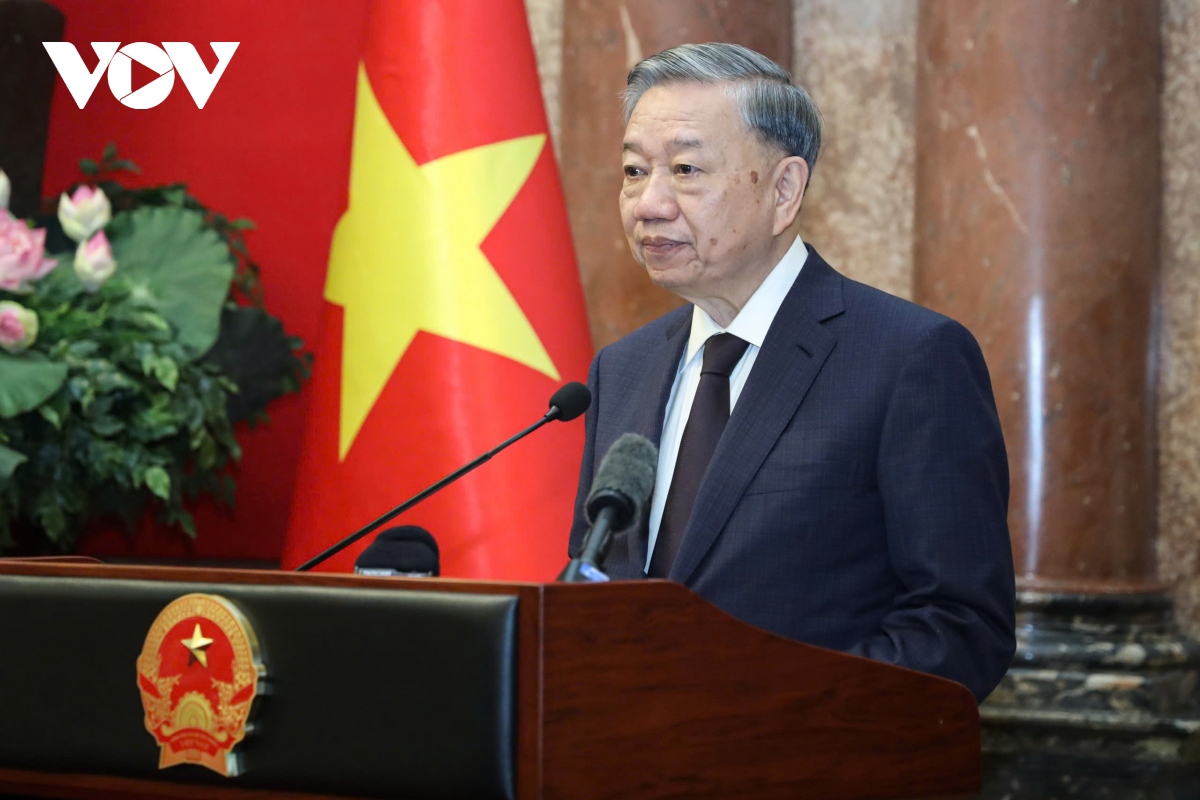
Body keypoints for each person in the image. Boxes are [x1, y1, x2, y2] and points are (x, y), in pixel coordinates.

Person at [568, 42, 1015, 702]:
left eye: (685, 169)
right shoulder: (622, 370)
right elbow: (594, 585)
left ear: (784, 190)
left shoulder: (909, 359)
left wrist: (772, 718)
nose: (648, 203)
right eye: (635, 171)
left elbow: (959, 626)